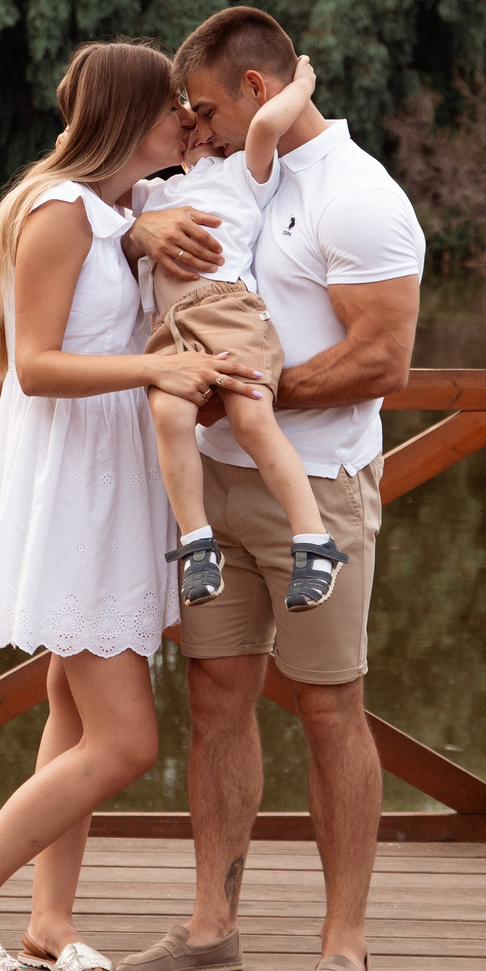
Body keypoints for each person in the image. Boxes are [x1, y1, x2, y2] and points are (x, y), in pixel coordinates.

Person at [0, 39, 268, 971]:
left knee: (74, 714)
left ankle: (48, 917)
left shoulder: (117, 207)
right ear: (125, 117)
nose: (190, 127)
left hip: (120, 478)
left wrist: (140, 234)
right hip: (71, 480)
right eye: (173, 113)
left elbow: (210, 187)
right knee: (126, 740)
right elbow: (33, 364)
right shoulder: (57, 212)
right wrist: (156, 366)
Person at [113, 6, 424, 971]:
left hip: (317, 487)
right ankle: (212, 927)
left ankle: (346, 945)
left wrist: (246, 392)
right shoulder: (221, 177)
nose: (188, 128)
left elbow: (383, 358)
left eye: (200, 107)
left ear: (255, 90)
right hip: (207, 481)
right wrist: (138, 223)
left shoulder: (359, 196)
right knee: (215, 698)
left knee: (331, 704)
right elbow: (91, 207)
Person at [138, 54, 344, 615]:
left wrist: (302, 83)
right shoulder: (149, 196)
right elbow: (97, 192)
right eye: (190, 126)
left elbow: (263, 126)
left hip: (228, 309)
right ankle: (197, 540)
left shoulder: (243, 178)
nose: (201, 134)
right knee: (169, 416)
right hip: (173, 329)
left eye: (209, 124)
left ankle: (313, 539)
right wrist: (137, 227)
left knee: (252, 417)